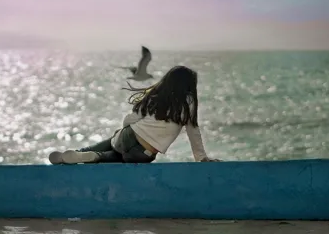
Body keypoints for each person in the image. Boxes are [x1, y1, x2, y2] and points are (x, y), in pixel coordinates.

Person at [49, 65, 221, 164]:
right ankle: (94, 157)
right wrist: (202, 158)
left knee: (113, 142)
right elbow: (193, 132)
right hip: (144, 152)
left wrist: (124, 132)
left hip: (130, 135)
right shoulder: (188, 103)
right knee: (116, 158)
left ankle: (77, 154)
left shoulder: (156, 95)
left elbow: (130, 119)